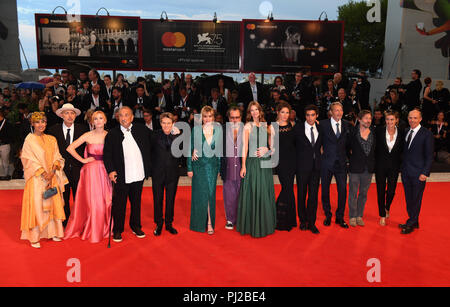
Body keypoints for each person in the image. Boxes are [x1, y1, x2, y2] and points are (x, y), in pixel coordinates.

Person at [103, 106, 152, 243]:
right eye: (121, 115)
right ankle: (118, 229)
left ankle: (136, 226)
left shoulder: (141, 129)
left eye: (126, 115)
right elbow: (107, 155)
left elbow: (155, 137)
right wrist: (111, 170)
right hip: (121, 175)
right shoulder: (112, 133)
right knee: (120, 203)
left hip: (138, 173)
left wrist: (171, 130)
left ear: (132, 117)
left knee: (136, 202)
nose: (123, 118)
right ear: (118, 117)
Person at [20, 112, 68, 248]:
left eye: (43, 122)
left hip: (52, 177)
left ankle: (53, 232)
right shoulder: (29, 140)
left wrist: (53, 171)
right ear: (32, 124)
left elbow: (58, 157)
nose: (41, 124)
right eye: (38, 122)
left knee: (53, 204)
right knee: (37, 206)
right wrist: (42, 173)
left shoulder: (51, 139)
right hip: (36, 179)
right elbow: (27, 159)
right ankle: (35, 237)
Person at [64, 111, 112, 243]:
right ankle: (92, 229)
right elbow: (70, 148)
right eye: (95, 119)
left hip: (105, 171)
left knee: (106, 201)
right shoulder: (87, 135)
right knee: (93, 202)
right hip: (91, 172)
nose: (98, 121)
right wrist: (83, 160)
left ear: (105, 120)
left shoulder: (110, 136)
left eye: (101, 118)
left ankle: (104, 227)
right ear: (92, 121)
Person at [237, 101, 276, 238]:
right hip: (252, 163)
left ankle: (265, 223)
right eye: (251, 110)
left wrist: (268, 149)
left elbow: (274, 148)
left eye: (256, 110)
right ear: (249, 112)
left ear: (260, 111)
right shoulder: (247, 126)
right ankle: (251, 224)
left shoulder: (267, 127)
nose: (254, 112)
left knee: (264, 192)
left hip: (265, 163)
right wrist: (243, 165)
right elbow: (244, 147)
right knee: (254, 192)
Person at [48, 103, 89, 227]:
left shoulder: (83, 129)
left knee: (79, 196)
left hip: (78, 168)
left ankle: (79, 220)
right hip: (61, 170)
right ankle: (64, 221)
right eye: (66, 113)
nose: (70, 116)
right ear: (61, 115)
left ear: (75, 115)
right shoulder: (53, 130)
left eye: (72, 113)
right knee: (63, 197)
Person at [187, 106, 221, 234]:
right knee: (199, 195)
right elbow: (189, 148)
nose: (207, 119)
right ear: (202, 118)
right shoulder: (195, 130)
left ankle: (210, 222)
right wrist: (189, 167)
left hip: (212, 167)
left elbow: (219, 151)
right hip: (198, 167)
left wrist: (219, 168)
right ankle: (199, 223)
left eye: (210, 116)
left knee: (210, 195)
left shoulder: (217, 131)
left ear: (213, 117)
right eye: (205, 116)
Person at [400, 108, 434, 234]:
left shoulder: (427, 134)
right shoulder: (406, 131)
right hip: (406, 172)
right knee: (409, 198)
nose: (412, 120)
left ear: (420, 119)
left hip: (419, 173)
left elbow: (430, 156)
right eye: (410, 117)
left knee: (416, 198)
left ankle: (411, 222)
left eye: (415, 118)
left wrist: (425, 173)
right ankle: (414, 220)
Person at [320, 102, 350, 229]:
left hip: (342, 164)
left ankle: (340, 217)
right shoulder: (322, 124)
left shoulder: (347, 125)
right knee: (325, 190)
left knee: (342, 190)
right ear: (331, 112)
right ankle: (328, 214)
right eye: (336, 110)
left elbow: (349, 144)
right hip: (326, 163)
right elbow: (318, 142)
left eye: (341, 110)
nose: (339, 112)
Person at [151, 112, 181, 236]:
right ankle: (159, 223)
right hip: (157, 173)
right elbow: (149, 153)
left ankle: (169, 223)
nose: (166, 125)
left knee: (170, 200)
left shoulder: (179, 135)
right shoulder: (153, 135)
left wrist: (179, 132)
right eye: (164, 123)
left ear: (173, 124)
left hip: (173, 174)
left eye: (169, 123)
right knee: (157, 199)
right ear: (160, 123)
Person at [295, 105, 322, 234]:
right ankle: (302, 221)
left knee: (313, 196)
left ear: (316, 115)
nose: (310, 117)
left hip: (316, 168)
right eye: (308, 115)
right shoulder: (298, 128)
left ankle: (312, 222)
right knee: (301, 194)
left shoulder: (321, 128)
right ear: (305, 116)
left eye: (313, 115)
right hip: (302, 167)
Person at [375, 111, 404, 226]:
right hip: (380, 166)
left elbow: (403, 149)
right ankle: (382, 215)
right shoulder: (379, 131)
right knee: (380, 191)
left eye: (392, 119)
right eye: (387, 119)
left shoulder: (402, 132)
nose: (389, 122)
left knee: (391, 191)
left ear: (396, 120)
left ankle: (387, 207)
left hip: (394, 167)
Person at [348, 110, 376, 227]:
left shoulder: (374, 133)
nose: (368, 120)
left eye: (370, 118)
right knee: (353, 193)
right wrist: (351, 159)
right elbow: (346, 148)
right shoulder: (352, 132)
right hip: (355, 168)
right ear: (359, 120)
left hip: (368, 168)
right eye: (365, 118)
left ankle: (359, 215)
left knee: (363, 193)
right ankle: (352, 216)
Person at [273, 102, 297, 231]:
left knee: (289, 189)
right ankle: (280, 219)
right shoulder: (272, 127)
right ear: (277, 112)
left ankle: (288, 219)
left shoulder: (292, 125)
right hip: (281, 162)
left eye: (287, 112)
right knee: (287, 188)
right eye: (282, 112)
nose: (285, 115)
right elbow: (271, 146)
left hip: (292, 162)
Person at [220, 107, 243, 230]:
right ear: (228, 118)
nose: (234, 120)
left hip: (242, 166)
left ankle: (241, 218)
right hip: (227, 167)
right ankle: (230, 219)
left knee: (242, 193)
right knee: (229, 194)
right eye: (232, 117)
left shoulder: (246, 129)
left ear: (241, 118)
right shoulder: (222, 129)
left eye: (237, 117)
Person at [0, 109, 13, 180]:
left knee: (5, 161)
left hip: (4, 144)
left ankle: (6, 175)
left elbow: (11, 135)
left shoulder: (8, 123)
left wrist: (3, 139)